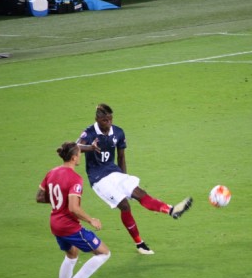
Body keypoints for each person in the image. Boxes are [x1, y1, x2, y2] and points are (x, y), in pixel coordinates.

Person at [77, 103, 193, 255]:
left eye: (110, 119)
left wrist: (124, 177)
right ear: (97, 119)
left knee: (140, 193)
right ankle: (140, 244)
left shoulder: (118, 132)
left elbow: (121, 156)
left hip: (115, 173)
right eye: (105, 120)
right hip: (98, 178)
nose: (109, 123)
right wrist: (90, 148)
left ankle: (171, 210)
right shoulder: (89, 133)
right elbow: (75, 147)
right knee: (125, 206)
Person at [37, 141, 111, 278]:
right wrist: (91, 219)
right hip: (68, 226)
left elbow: (39, 197)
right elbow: (73, 208)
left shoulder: (52, 172)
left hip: (54, 223)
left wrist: (58, 200)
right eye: (79, 153)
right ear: (73, 157)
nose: (80, 156)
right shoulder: (75, 178)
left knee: (71, 255)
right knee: (104, 253)